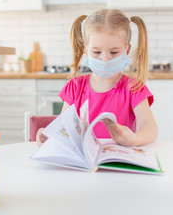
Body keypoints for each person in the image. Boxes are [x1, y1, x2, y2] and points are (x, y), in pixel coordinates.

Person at [37, 9, 158, 147]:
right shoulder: (75, 87)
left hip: (119, 162)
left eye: (114, 52)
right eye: (96, 52)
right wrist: (50, 136)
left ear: (127, 50)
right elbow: (64, 128)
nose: (105, 58)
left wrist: (135, 139)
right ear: (85, 49)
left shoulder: (134, 88)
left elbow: (150, 127)